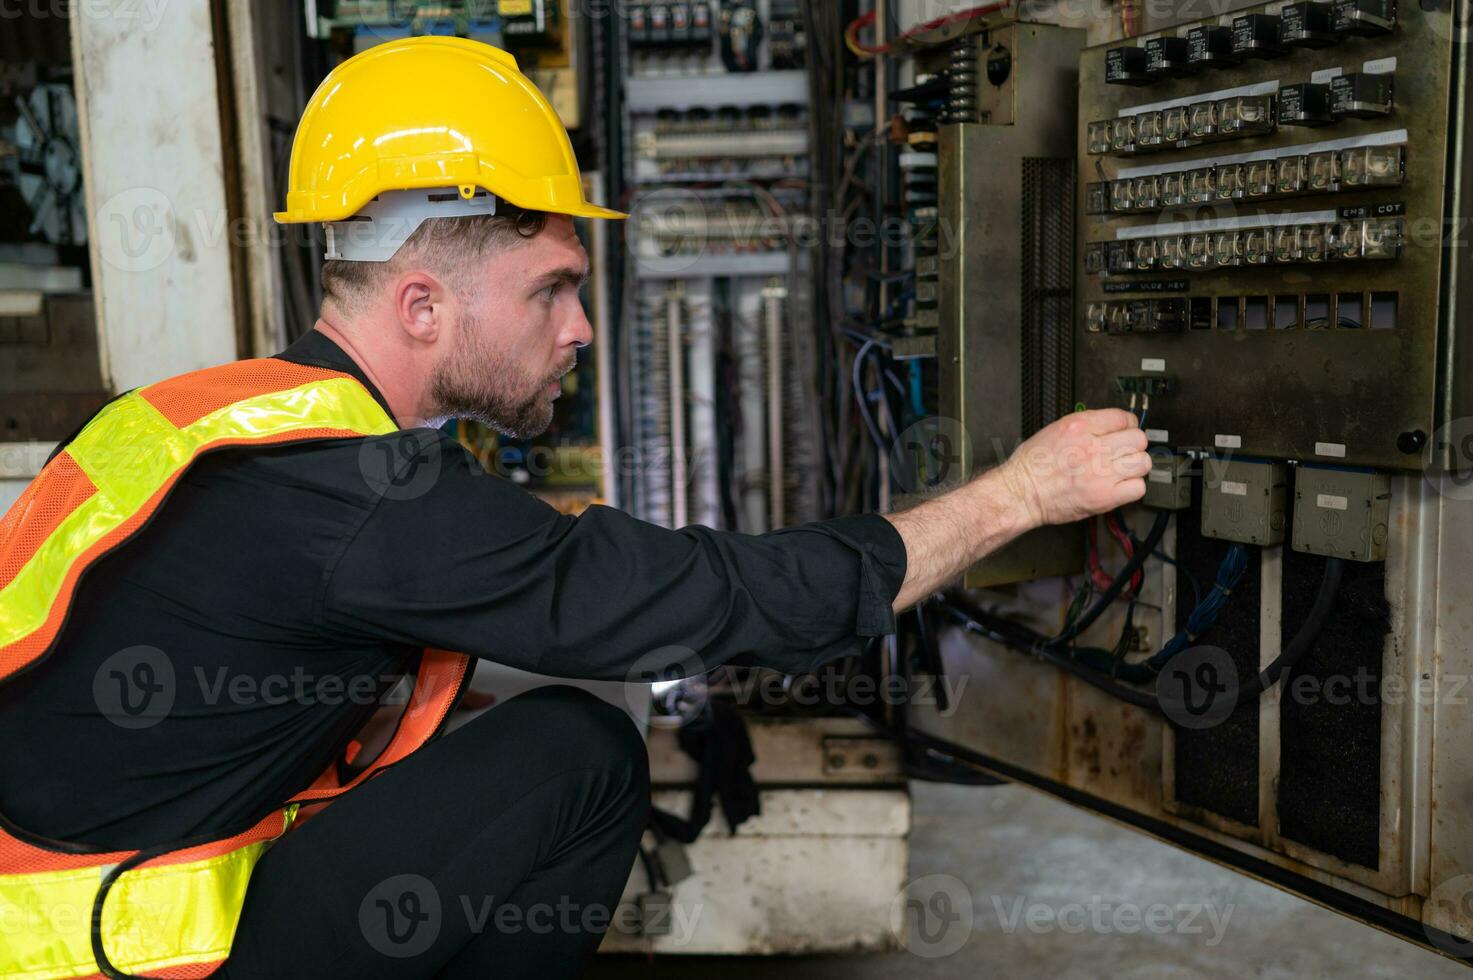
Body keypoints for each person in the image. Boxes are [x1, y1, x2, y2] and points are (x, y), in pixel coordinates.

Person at [0, 37, 1150, 980]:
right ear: (419, 306)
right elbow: (707, 598)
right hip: (108, 952)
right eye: (550, 289)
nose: (580, 330)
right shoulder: (358, 498)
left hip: (74, 893)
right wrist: (1022, 493)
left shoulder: (214, 417)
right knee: (579, 750)